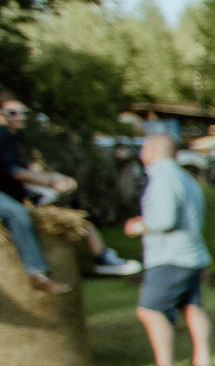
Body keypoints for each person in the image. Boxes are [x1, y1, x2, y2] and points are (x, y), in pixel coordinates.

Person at [0, 92, 138, 290]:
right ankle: (37, 274)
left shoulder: (14, 138)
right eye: (12, 113)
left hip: (17, 193)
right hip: (12, 197)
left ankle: (102, 257)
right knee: (17, 213)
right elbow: (13, 172)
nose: (20, 116)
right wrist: (51, 180)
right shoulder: (1, 134)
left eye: (23, 112)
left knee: (73, 220)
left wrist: (52, 178)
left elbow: (21, 170)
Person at [123, 134, 213, 366]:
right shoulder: (185, 177)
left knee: (150, 310)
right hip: (193, 252)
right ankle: (202, 364)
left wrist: (138, 226)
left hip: (169, 256)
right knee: (191, 307)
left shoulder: (161, 178)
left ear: (151, 150)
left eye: (143, 147)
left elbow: (163, 220)